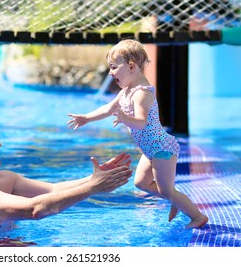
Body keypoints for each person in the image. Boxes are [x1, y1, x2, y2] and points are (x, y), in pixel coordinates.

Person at [67, 39, 208, 229]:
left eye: (114, 67)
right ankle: (177, 199)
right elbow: (108, 108)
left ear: (131, 66)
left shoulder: (142, 93)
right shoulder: (126, 91)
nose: (110, 72)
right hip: (150, 150)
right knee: (141, 184)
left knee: (166, 190)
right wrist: (86, 118)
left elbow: (141, 122)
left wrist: (125, 118)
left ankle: (197, 216)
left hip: (161, 149)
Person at [0, 120, 133, 231]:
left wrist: (95, 178)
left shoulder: (5, 179)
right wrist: (93, 188)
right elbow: (34, 210)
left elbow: (53, 189)